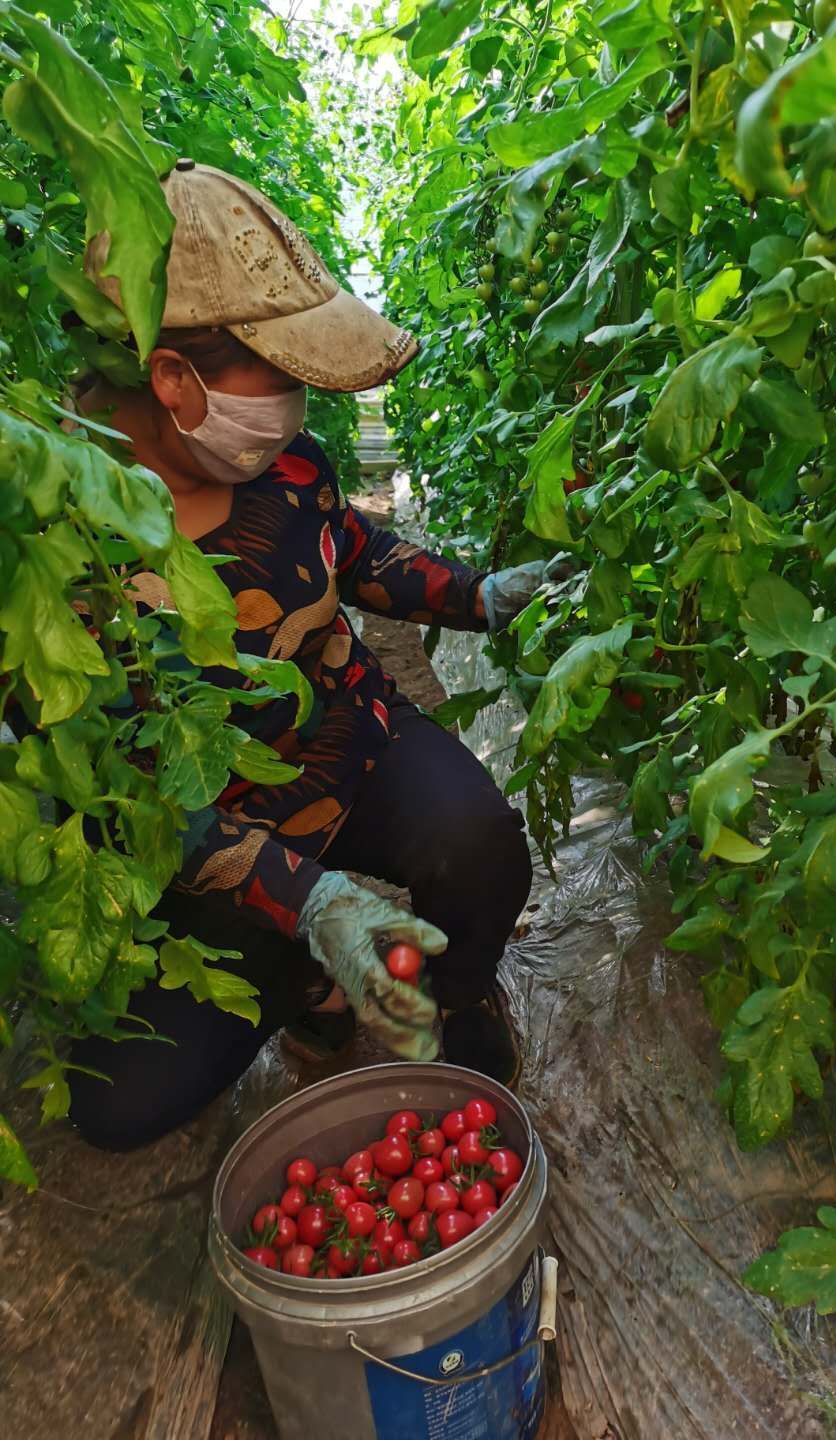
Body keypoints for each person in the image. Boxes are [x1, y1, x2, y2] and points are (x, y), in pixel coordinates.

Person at [63, 159, 556, 1151]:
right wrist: (307, 900)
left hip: (345, 745)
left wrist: (476, 595)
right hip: (206, 848)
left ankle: (454, 1003)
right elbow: (140, 797)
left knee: (484, 848)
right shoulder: (62, 556)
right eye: (278, 377)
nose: (293, 405)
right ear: (173, 380)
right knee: (119, 1101)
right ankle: (305, 980)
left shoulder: (277, 462)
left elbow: (354, 551)